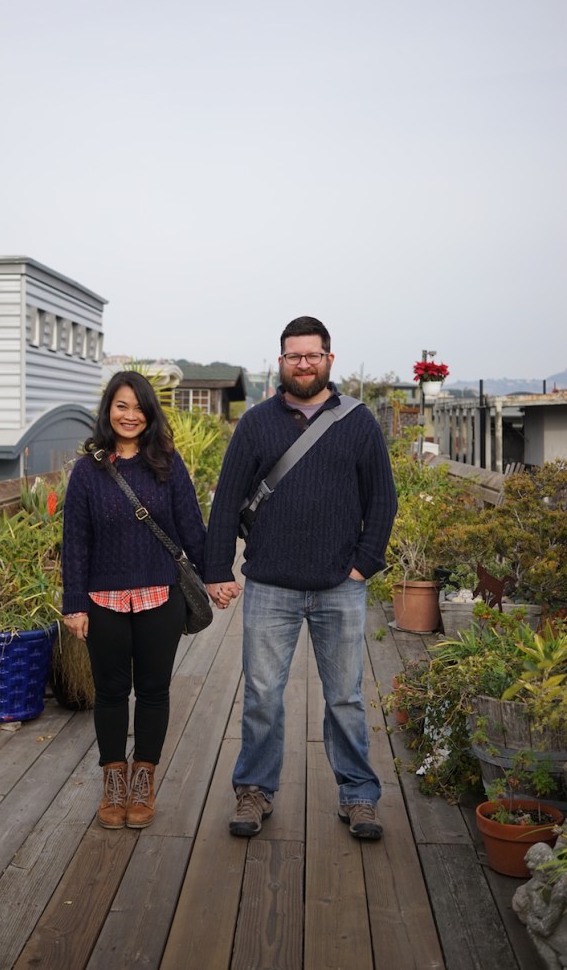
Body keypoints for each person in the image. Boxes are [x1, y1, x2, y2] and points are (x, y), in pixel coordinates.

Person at [205, 316, 397, 841]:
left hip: (340, 586)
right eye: (294, 356)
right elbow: (226, 501)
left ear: (329, 359)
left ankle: (358, 795)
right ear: (281, 362)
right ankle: (254, 790)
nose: (304, 364)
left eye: (313, 355)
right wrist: (217, 570)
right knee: (262, 696)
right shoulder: (256, 424)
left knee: (345, 699)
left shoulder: (358, 422)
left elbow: (383, 499)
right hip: (270, 586)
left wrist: (362, 564)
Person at [62, 370, 206, 830]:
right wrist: (74, 604)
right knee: (109, 694)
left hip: (159, 596)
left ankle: (143, 780)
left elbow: (191, 528)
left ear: (150, 413)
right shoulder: (88, 470)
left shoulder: (167, 463)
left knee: (153, 691)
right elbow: (75, 541)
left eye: (139, 407)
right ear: (108, 409)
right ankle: (113, 783)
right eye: (121, 406)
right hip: (102, 601)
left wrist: (219, 576)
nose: (130, 415)